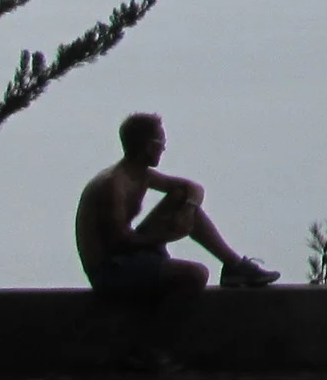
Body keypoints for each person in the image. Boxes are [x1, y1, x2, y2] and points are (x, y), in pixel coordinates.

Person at [76, 112, 280, 297]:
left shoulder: (141, 175)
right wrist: (172, 235)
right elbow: (119, 241)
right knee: (197, 274)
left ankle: (235, 266)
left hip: (128, 255)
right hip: (110, 270)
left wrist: (188, 211)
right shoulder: (113, 185)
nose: (164, 148)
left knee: (181, 198)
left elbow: (192, 188)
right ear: (149, 146)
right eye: (161, 142)